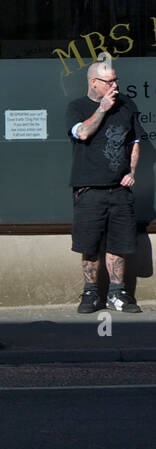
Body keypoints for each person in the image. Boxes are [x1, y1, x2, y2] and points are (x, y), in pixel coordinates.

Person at [68, 61, 143, 313]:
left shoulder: (127, 106)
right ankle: (90, 293)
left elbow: (134, 141)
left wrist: (131, 171)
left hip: (120, 190)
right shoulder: (77, 107)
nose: (115, 85)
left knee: (118, 243)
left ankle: (117, 293)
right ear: (94, 83)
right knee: (89, 245)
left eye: (116, 80)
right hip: (89, 188)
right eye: (109, 82)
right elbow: (83, 133)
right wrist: (102, 108)